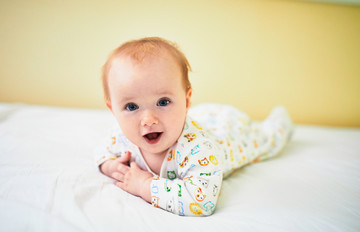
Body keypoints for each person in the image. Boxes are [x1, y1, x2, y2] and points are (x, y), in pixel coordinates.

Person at [95, 37, 293, 216]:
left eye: (163, 102)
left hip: (229, 132)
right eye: (131, 107)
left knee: (264, 139)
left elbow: (201, 202)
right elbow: (104, 150)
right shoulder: (122, 133)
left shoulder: (200, 150)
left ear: (187, 100)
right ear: (113, 109)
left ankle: (280, 121)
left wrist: (146, 186)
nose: (148, 120)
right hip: (202, 117)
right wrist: (110, 166)